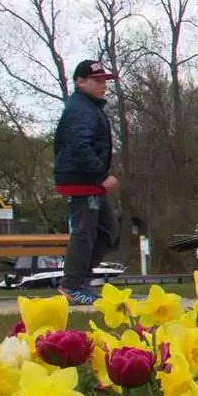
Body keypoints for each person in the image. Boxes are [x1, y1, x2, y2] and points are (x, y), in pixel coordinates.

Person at [53, 59, 119, 307]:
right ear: (80, 82)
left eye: (105, 81)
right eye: (97, 81)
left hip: (89, 181)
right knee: (84, 233)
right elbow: (79, 146)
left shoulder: (89, 107)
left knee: (108, 230)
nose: (103, 86)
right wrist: (101, 176)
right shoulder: (80, 108)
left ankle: (79, 281)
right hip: (82, 180)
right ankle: (71, 286)